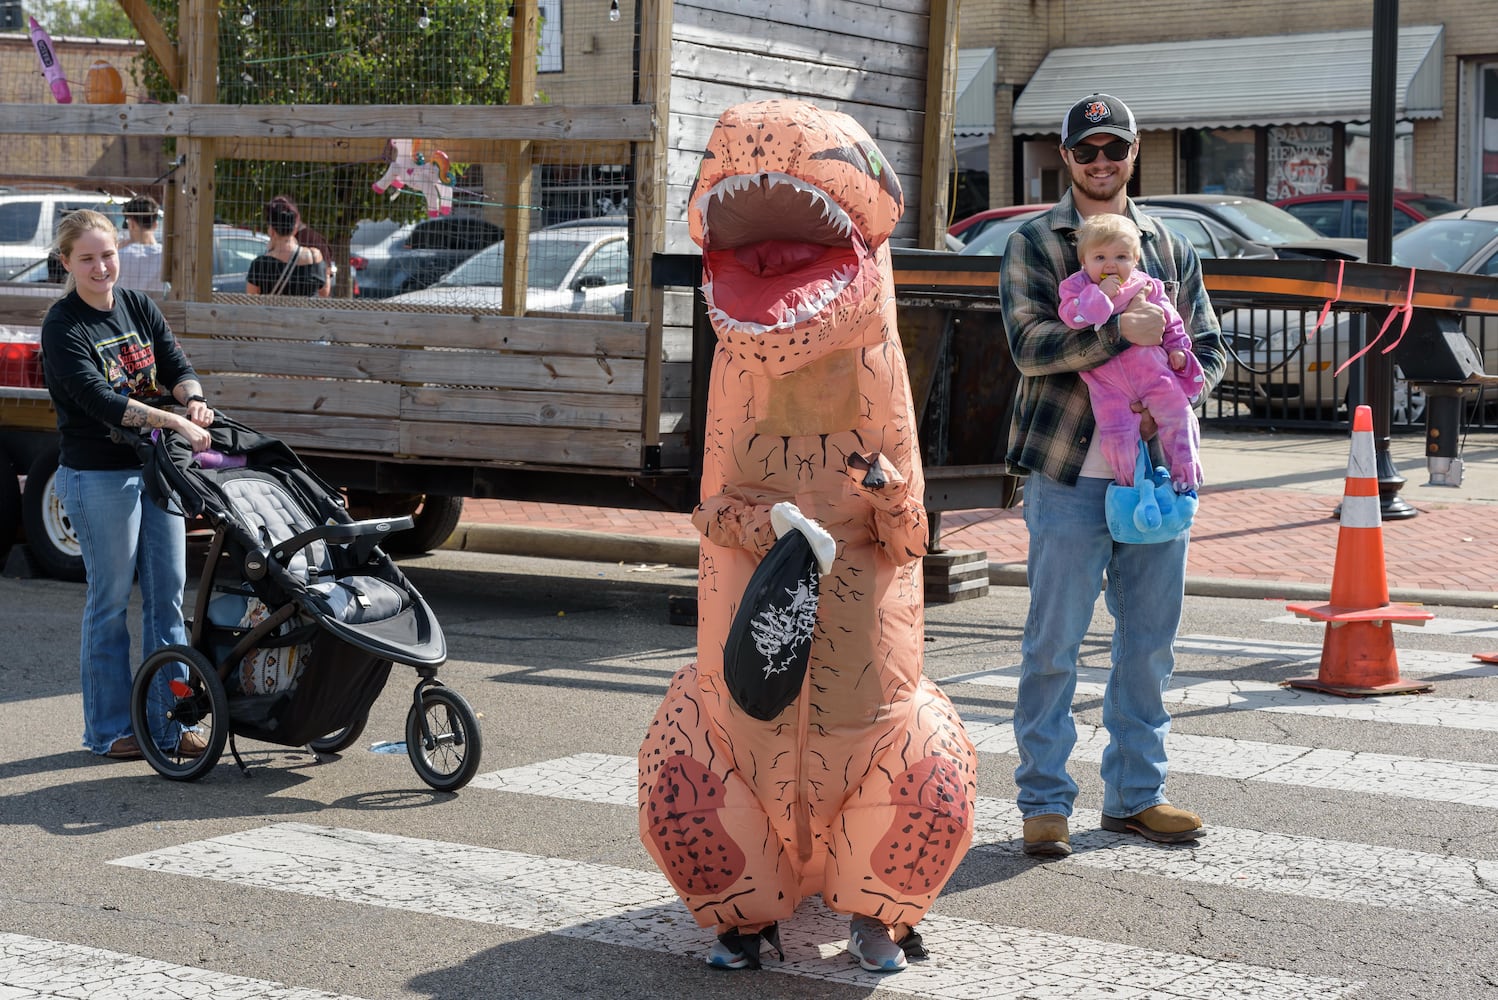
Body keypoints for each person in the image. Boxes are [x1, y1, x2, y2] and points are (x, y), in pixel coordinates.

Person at [999, 93, 1226, 856]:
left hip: (1157, 478)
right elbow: (1029, 347)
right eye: (1087, 151)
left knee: (1150, 644)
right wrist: (1110, 336)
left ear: (1134, 154)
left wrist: (1177, 400)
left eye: (1114, 150)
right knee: (1053, 644)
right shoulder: (1035, 240)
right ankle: (1044, 803)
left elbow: (1212, 349)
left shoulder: (1169, 243)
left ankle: (1135, 795)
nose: (1102, 163)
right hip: (1069, 473)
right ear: (1067, 158)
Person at [41, 209, 215, 761]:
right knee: (111, 601)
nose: (100, 267)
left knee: (167, 599)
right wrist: (174, 421)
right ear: (66, 261)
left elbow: (175, 361)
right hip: (97, 478)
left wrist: (191, 396)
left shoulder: (138, 306)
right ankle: (111, 729)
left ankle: (170, 727)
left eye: (107, 254)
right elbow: (103, 402)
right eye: (87, 258)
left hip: (156, 470)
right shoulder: (63, 325)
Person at [1057, 212, 1204, 492]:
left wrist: (1177, 349)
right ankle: (1129, 484)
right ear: (1084, 261)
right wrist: (1102, 295)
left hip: (1153, 373)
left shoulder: (1146, 286)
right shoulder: (1077, 287)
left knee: (1180, 415)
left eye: (1122, 257)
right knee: (1117, 434)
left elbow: (1170, 320)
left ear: (1135, 260)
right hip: (1107, 383)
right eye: (1100, 258)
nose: (1111, 265)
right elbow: (1074, 318)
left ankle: (1186, 475)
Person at [245, 195, 331, 297]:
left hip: (273, 313)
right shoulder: (314, 256)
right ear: (294, 229)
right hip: (304, 313)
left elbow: (251, 299)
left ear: (272, 231)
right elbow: (324, 292)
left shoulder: (260, 264)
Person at [114, 195, 166, 292]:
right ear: (155, 225)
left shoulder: (119, 254)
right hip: (158, 306)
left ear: (132, 224)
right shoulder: (165, 256)